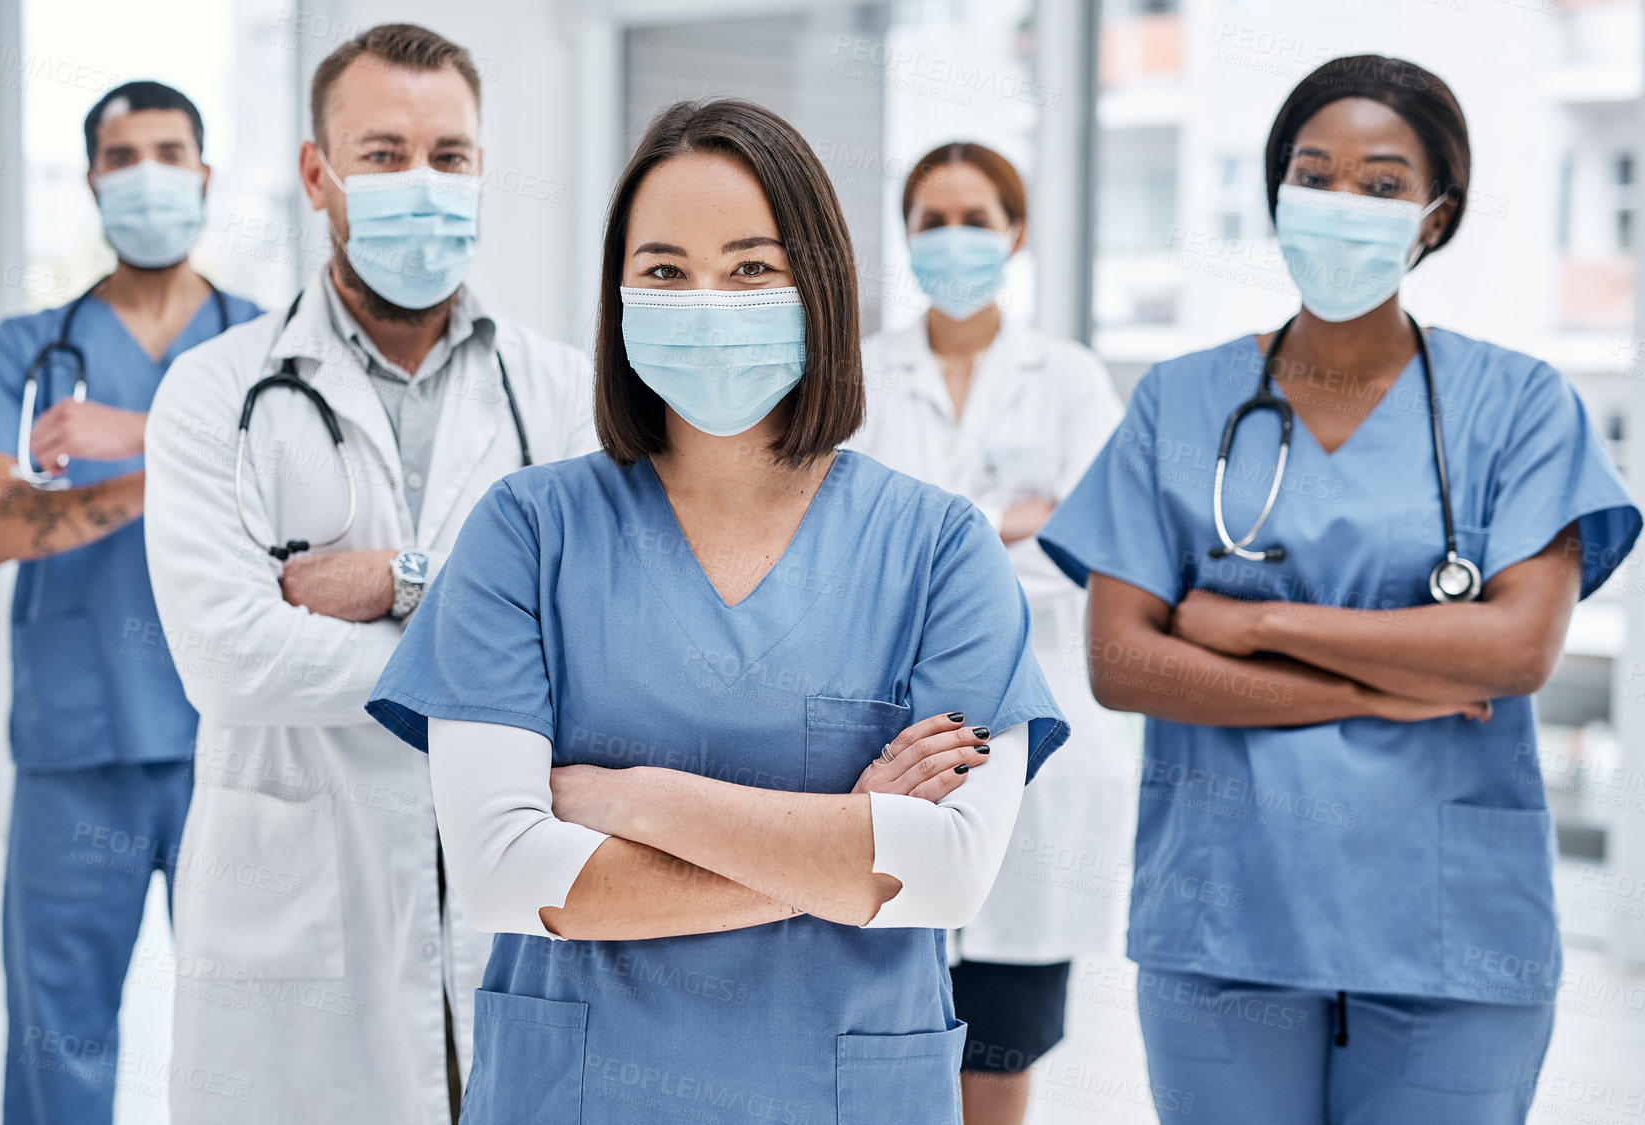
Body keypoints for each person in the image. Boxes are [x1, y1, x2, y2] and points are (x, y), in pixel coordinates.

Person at [364, 97, 1069, 1125]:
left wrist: (633, 798)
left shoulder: (939, 550)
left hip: (837, 1091)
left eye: (748, 268)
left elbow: (948, 875)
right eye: (662, 271)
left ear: (817, 285)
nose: (704, 302)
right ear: (617, 298)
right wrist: (844, 850)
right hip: (581, 1093)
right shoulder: (526, 531)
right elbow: (505, 874)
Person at [1041, 55, 1641, 1124]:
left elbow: (1512, 652)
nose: (1339, 205)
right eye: (1312, 176)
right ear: (1275, 196)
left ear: (1434, 215)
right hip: (1228, 918)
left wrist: (1252, 621)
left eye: (1379, 185)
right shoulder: (1180, 402)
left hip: (1450, 936)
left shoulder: (1515, 404)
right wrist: (1377, 688)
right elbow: (1122, 661)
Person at [142, 24, 596, 1125]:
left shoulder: (564, 389)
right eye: (384, 154)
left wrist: (399, 577)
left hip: (512, 901)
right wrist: (489, 629)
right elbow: (232, 661)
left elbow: (598, 634)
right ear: (318, 173)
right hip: (299, 919)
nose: (422, 183)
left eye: (449, 155)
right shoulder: (214, 394)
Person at [0, 81, 263, 1125]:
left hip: (239, 750)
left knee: (254, 1035)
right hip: (78, 755)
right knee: (58, 1048)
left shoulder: (266, 344)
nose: (148, 174)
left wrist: (136, 431)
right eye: (123, 155)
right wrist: (175, 458)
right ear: (95, 181)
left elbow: (313, 510)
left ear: (203, 176)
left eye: (169, 152)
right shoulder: (30, 350)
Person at [844, 141, 1136, 1125]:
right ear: (905, 235)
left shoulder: (1068, 378)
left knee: (1002, 1035)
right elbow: (840, 548)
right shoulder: (859, 375)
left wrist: (937, 539)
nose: (953, 238)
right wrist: (1007, 520)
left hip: (1033, 738)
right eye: (932, 219)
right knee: (879, 1021)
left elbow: (1093, 547)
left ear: (1015, 233)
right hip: (883, 736)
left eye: (976, 218)